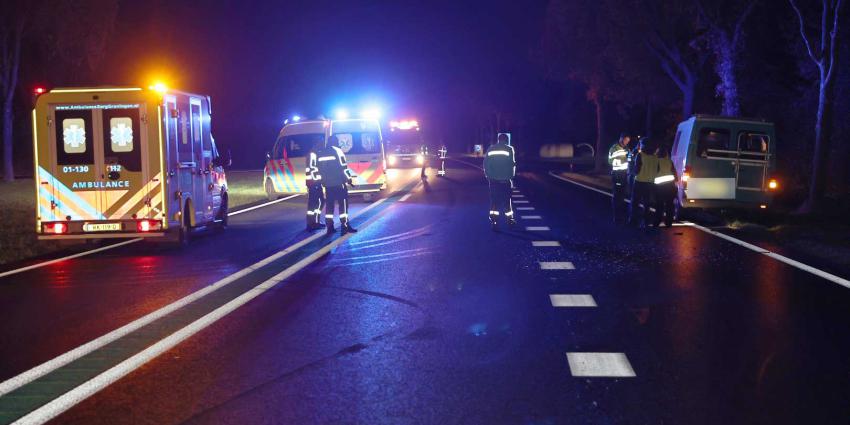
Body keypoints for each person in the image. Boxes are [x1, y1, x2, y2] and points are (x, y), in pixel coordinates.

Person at [316, 135, 358, 234]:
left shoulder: (321, 153)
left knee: (330, 206)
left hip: (328, 185)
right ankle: (345, 225)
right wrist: (349, 179)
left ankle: (329, 227)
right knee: (342, 205)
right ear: (335, 142)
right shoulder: (338, 152)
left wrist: (323, 181)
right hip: (339, 183)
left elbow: (319, 169)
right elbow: (344, 168)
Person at [484, 133, 516, 229]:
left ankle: (494, 221)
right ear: (506, 140)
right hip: (506, 180)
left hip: (493, 180)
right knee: (507, 201)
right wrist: (511, 176)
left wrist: (488, 176)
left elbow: (486, 164)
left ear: (498, 140)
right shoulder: (510, 149)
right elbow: (512, 164)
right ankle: (510, 220)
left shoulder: (490, 149)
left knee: (494, 201)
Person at [629, 137, 658, 228]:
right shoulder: (655, 157)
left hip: (639, 182)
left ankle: (633, 221)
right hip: (650, 183)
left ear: (644, 145)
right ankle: (646, 221)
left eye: (641, 144)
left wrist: (632, 172)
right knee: (647, 203)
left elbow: (636, 170)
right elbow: (657, 170)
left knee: (635, 202)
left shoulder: (640, 155)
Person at [608, 133, 631, 223]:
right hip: (617, 175)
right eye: (625, 140)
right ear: (621, 138)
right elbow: (610, 161)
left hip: (624, 175)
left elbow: (629, 159)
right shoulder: (614, 148)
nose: (626, 142)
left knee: (622, 196)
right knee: (617, 196)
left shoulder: (627, 149)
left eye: (628, 141)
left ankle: (621, 214)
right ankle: (616, 216)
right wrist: (621, 161)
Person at [305, 135, 326, 231]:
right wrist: (316, 181)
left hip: (316, 183)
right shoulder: (313, 154)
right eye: (321, 143)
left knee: (320, 202)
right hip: (313, 183)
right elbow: (312, 169)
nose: (322, 144)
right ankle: (310, 223)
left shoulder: (317, 153)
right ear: (316, 143)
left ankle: (316, 222)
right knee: (313, 204)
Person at [653, 144, 677, 227]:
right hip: (671, 186)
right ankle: (669, 222)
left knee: (659, 205)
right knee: (669, 205)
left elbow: (654, 173)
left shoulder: (657, 161)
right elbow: (674, 173)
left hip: (660, 187)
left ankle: (657, 221)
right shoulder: (670, 161)